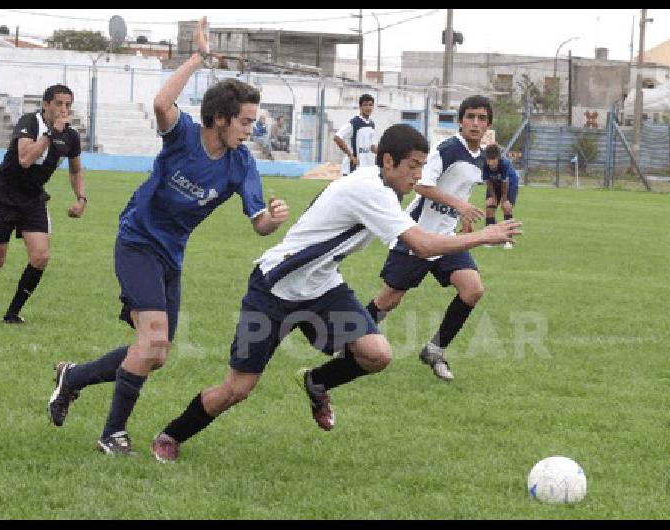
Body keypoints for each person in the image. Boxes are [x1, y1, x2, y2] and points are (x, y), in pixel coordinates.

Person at [148, 123, 521, 463]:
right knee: (238, 388)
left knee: (377, 354)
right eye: (412, 166)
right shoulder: (369, 189)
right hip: (275, 288)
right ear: (388, 161)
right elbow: (422, 245)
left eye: (422, 166)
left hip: (322, 286)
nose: (418, 176)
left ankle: (317, 382)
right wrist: (484, 235)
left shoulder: (380, 186)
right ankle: (171, 434)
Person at [47, 17, 290, 455]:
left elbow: (258, 223)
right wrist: (197, 57)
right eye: (246, 121)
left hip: (171, 256)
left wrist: (273, 220)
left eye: (254, 122)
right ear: (219, 118)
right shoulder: (183, 136)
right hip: (137, 240)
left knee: (155, 353)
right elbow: (161, 102)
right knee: (153, 341)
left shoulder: (242, 164)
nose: (251, 129)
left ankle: (75, 377)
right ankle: (111, 435)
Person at [364, 95, 493, 382]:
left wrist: (462, 215)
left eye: (481, 118)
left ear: (488, 125)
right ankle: (350, 339)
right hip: (417, 235)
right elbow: (421, 185)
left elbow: (459, 190)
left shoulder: (480, 158)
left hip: (445, 238)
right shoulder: (448, 149)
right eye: (470, 116)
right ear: (460, 121)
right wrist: (458, 205)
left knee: (472, 290)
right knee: (389, 300)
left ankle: (434, 350)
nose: (475, 122)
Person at [0, 84, 86, 322]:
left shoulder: (70, 136)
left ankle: (12, 315)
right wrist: (51, 133)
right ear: (46, 104)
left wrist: (81, 198)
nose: (64, 109)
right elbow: (24, 159)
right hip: (3, 197)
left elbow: (75, 171)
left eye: (68, 105)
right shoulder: (30, 123)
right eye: (59, 104)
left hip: (33, 199)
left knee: (41, 256)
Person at [483, 142, 520, 250]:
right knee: (489, 207)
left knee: (506, 208)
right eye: (489, 159)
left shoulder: (505, 164)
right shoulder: (485, 164)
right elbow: (488, 181)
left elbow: (505, 183)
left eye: (493, 159)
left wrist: (504, 199)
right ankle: (491, 239)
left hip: (510, 185)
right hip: (494, 185)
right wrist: (493, 197)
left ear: (498, 158)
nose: (490, 162)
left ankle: (508, 240)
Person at [334, 93, 377, 176]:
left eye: (370, 105)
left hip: (366, 168)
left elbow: (372, 146)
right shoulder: (354, 122)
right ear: (360, 107)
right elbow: (337, 137)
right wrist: (351, 156)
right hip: (353, 168)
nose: (368, 107)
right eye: (365, 105)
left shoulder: (371, 124)